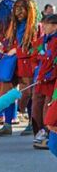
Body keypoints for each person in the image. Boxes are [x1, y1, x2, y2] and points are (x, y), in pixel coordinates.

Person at [0, 0, 38, 137]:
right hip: (13, 65)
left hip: (26, 65)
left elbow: (34, 47)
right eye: (16, 8)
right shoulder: (13, 27)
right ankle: (7, 124)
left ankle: (32, 123)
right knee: (8, 94)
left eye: (21, 9)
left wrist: (16, 51)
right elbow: (10, 44)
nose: (18, 12)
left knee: (29, 95)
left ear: (28, 10)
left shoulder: (33, 29)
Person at [30, 15, 57, 147]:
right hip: (39, 79)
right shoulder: (42, 40)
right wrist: (36, 67)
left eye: (46, 24)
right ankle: (39, 132)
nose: (43, 27)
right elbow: (33, 54)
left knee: (48, 107)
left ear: (55, 26)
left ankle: (47, 134)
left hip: (51, 81)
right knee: (36, 107)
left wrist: (49, 75)